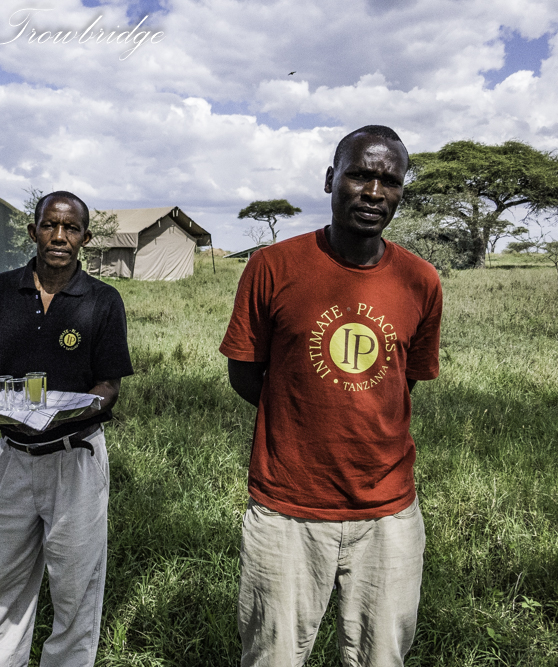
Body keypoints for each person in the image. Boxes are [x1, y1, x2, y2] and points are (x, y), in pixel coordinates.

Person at [219, 126, 443, 667]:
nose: (374, 192)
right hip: (287, 509)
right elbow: (246, 375)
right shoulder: (273, 267)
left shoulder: (421, 281)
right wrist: (301, 413)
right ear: (330, 179)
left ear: (401, 192)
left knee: (380, 657)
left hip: (387, 512)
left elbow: (400, 384)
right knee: (272, 656)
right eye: (359, 175)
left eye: (389, 181)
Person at [0, 191, 133, 667]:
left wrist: (67, 412)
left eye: (71, 228)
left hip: (75, 457)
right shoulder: (0, 291)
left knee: (75, 588)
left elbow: (108, 387)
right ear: (33, 230)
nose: (59, 236)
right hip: (14, 458)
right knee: (1, 582)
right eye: (49, 225)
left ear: (85, 237)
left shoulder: (102, 301)